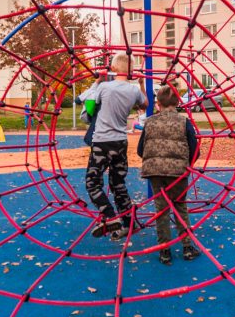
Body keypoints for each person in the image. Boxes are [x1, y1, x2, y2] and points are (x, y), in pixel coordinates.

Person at [85, 55, 147, 240]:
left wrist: (98, 81)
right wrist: (141, 83)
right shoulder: (134, 90)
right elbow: (145, 105)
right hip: (120, 142)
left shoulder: (104, 87)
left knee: (92, 183)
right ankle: (130, 223)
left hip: (102, 142)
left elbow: (89, 108)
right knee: (118, 184)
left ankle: (110, 216)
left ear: (112, 67)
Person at [138, 85, 201, 265]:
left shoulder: (150, 122)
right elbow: (194, 148)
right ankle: (187, 247)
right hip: (178, 172)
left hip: (155, 171)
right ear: (177, 102)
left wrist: (154, 159)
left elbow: (140, 149)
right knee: (180, 206)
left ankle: (164, 250)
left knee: (162, 209)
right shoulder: (184, 122)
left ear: (158, 103)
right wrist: (187, 163)